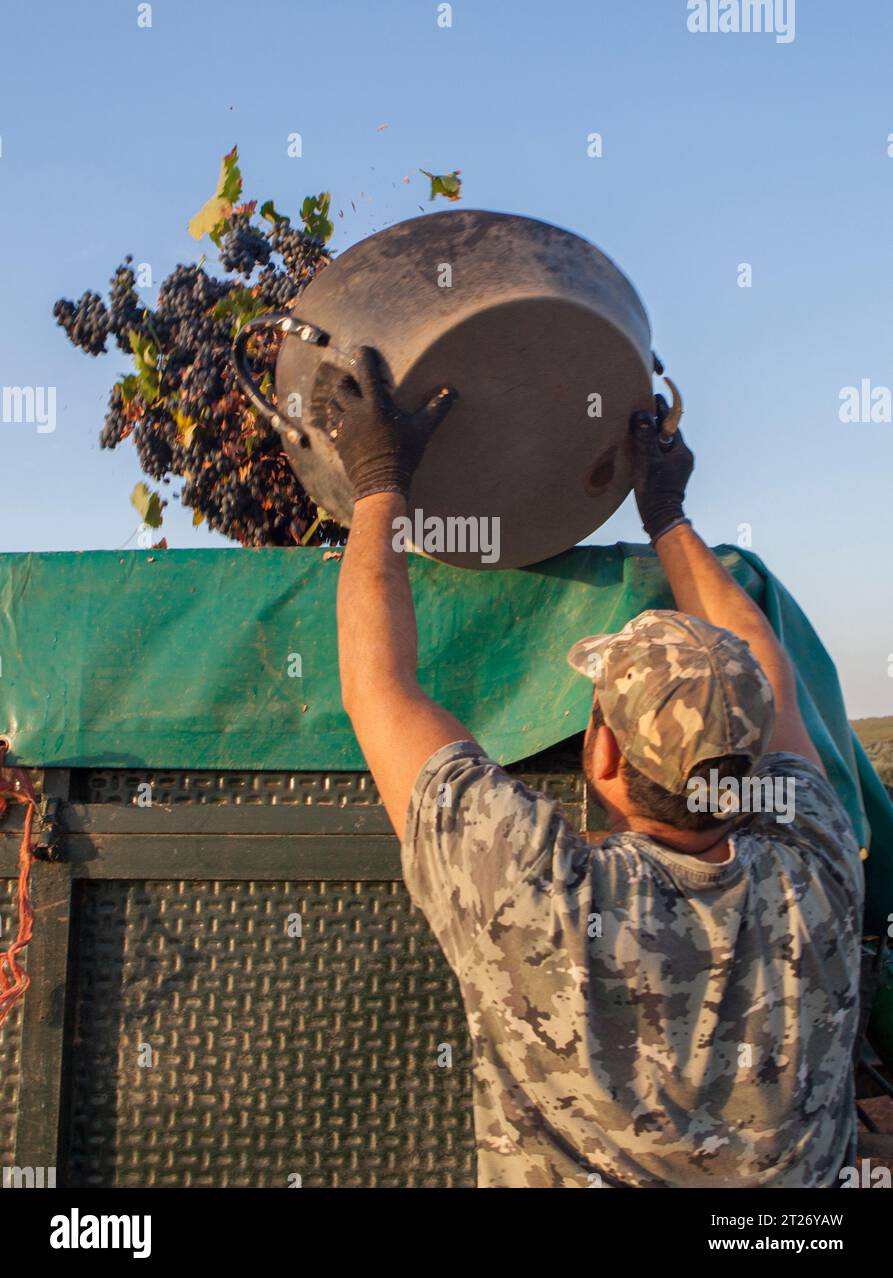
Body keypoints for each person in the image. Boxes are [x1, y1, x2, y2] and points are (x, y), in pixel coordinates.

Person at [313, 345, 864, 1188]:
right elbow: (763, 659)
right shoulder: (817, 867)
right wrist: (667, 517)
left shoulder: (547, 896)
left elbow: (378, 684)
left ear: (599, 750)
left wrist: (380, 477)